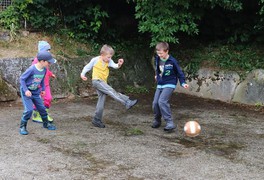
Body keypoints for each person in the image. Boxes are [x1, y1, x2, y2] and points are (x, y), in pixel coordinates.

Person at [80, 44, 138, 128]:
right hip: (97, 81)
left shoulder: (109, 61)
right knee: (111, 91)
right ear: (102, 55)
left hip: (103, 82)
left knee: (101, 100)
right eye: (108, 57)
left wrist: (119, 64)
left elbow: (115, 66)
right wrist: (82, 74)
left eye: (110, 57)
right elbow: (87, 67)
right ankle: (126, 102)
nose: (109, 59)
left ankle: (96, 119)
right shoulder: (95, 60)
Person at [152, 42, 189, 132]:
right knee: (155, 103)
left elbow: (179, 73)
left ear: (167, 51)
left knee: (162, 101)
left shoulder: (172, 61)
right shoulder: (157, 59)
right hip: (160, 84)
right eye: (158, 53)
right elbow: (157, 69)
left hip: (170, 83)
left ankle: (170, 123)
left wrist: (183, 83)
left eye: (161, 53)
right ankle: (157, 120)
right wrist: (157, 75)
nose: (159, 55)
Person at [19, 51, 57, 135]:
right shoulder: (32, 69)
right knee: (29, 110)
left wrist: (43, 89)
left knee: (42, 109)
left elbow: (42, 80)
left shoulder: (44, 70)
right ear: (42, 61)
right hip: (27, 92)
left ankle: (46, 124)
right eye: (48, 62)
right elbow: (22, 79)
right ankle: (22, 127)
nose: (49, 64)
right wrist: (26, 90)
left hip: (36, 92)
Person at [31, 41, 56, 123]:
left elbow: (46, 70)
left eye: (49, 50)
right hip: (38, 84)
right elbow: (33, 70)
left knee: (48, 98)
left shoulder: (47, 60)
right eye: (47, 50)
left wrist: (50, 74)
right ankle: (36, 115)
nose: (49, 51)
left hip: (46, 84)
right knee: (37, 99)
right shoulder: (36, 60)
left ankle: (45, 114)